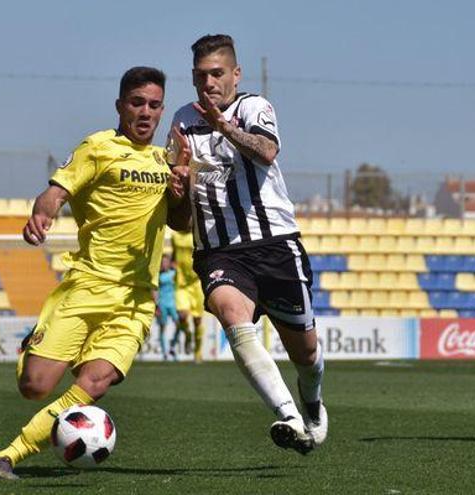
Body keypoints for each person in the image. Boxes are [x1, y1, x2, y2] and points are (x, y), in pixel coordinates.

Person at [0, 66, 191, 479]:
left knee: (97, 381)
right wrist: (41, 215)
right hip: (86, 287)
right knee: (35, 386)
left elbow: (182, 224)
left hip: (134, 300)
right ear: (120, 105)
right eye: (137, 103)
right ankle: (35, 346)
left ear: (162, 109)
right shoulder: (97, 147)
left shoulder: (166, 161)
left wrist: (182, 190)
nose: (145, 112)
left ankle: (9, 454)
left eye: (153, 104)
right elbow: (56, 192)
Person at [166, 34, 326, 454]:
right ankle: (288, 416)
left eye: (217, 74)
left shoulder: (255, 107)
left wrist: (225, 127)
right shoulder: (182, 122)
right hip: (218, 250)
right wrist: (178, 188)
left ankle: (311, 405)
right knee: (229, 310)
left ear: (235, 74)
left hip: (274, 243)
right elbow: (178, 223)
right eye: (201, 76)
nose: (209, 84)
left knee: (306, 354)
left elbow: (267, 151)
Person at [170, 228, 207, 363]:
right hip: (181, 283)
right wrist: (172, 263)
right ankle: (187, 335)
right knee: (182, 316)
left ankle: (198, 352)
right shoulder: (175, 236)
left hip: (196, 283)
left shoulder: (197, 235)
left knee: (197, 321)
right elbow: (174, 255)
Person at [154, 254, 179, 359]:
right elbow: (154, 290)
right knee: (163, 327)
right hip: (162, 304)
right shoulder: (158, 276)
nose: (164, 264)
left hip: (173, 303)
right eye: (162, 262)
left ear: (169, 263)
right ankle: (165, 353)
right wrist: (156, 306)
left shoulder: (174, 273)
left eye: (165, 262)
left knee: (179, 325)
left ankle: (172, 346)